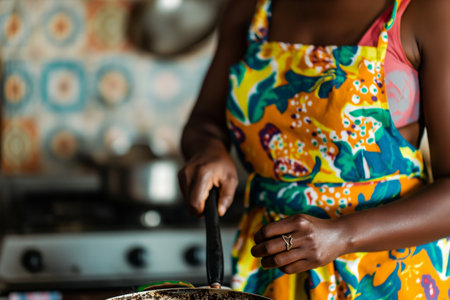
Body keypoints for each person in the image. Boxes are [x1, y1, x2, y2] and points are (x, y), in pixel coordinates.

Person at [177, 0, 450, 298]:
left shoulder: (428, 10)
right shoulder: (250, 9)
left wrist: (343, 235)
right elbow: (205, 121)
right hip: (274, 272)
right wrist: (209, 149)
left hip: (388, 277)